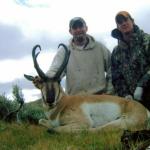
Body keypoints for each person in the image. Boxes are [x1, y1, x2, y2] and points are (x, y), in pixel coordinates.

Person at [45, 17, 114, 95]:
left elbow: (112, 69)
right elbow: (54, 70)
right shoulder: (64, 51)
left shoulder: (100, 48)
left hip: (99, 98)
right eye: (75, 28)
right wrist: (45, 78)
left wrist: (108, 92)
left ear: (86, 28)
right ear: (70, 31)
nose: (78, 30)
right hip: (75, 100)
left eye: (81, 26)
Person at [111, 11, 150, 109]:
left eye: (126, 20)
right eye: (120, 22)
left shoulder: (146, 40)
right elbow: (117, 78)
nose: (123, 23)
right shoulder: (116, 52)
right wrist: (125, 95)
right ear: (118, 27)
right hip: (133, 103)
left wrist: (141, 86)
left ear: (132, 21)